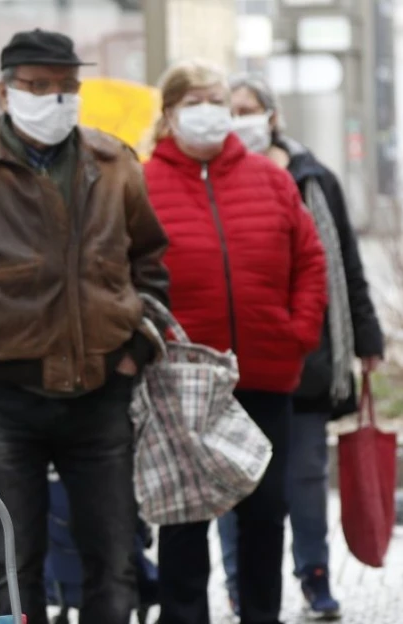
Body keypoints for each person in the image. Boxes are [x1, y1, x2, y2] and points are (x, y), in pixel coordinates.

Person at [0, 29, 170, 624]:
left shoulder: (114, 161)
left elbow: (150, 262)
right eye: (39, 86)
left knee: (113, 552)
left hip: (102, 388)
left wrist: (135, 349)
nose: (56, 98)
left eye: (67, 87)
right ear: (5, 92)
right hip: (1, 397)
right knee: (16, 559)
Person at [142, 59, 327, 624]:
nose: (209, 112)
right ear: (171, 112)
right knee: (184, 514)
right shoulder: (144, 181)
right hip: (183, 382)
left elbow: (311, 260)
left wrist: (296, 333)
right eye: (195, 101)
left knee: (265, 512)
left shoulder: (271, 178)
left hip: (265, 372)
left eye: (216, 100)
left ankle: (261, 615)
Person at [215, 73, 384, 620]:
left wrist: (366, 338)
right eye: (231, 109)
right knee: (233, 482)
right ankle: (242, 584)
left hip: (305, 359)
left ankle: (314, 577)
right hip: (234, 365)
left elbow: (345, 268)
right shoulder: (213, 178)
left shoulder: (315, 179)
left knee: (306, 479)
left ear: (271, 115)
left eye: (250, 108)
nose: (241, 119)